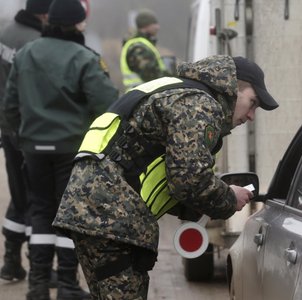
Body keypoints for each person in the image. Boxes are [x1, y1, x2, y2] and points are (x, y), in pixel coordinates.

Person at [52, 55, 278, 299]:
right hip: (109, 219)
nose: (251, 115)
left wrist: (200, 205)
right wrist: (228, 198)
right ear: (233, 88)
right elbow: (190, 179)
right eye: (252, 102)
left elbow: (169, 178)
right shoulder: (199, 103)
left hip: (97, 212)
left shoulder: (178, 91)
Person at [1, 0, 119, 298]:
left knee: (40, 210)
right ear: (77, 24)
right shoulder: (84, 57)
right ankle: (67, 284)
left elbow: (10, 104)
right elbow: (106, 105)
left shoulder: (27, 53)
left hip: (33, 149)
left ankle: (37, 285)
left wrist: (19, 136)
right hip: (71, 149)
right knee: (71, 214)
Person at [0, 0, 53, 282]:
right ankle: (39, 268)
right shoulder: (37, 42)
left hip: (8, 126)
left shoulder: (5, 32)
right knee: (39, 197)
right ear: (44, 13)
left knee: (20, 193)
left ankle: (11, 260)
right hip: (31, 129)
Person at [120, 9, 171, 91]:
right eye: (154, 24)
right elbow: (150, 74)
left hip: (142, 94)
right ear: (145, 25)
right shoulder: (137, 47)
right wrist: (172, 79)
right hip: (140, 96)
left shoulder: (143, 44)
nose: (158, 27)